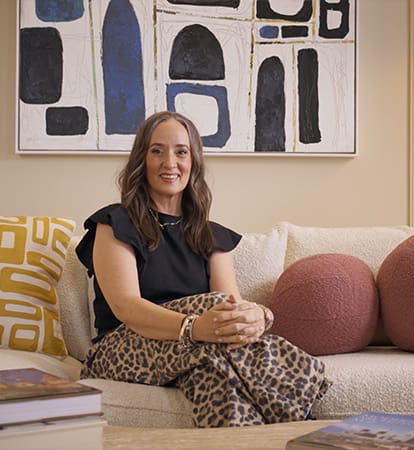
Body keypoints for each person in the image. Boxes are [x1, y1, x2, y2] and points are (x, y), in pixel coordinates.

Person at [76, 111, 331, 427]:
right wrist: (194, 328)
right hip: (119, 348)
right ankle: (304, 402)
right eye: (157, 151)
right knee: (215, 310)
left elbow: (231, 309)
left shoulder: (211, 236)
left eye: (181, 152)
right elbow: (126, 306)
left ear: (193, 161)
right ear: (141, 160)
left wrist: (259, 316)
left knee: (217, 376)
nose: (170, 162)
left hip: (200, 351)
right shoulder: (115, 223)